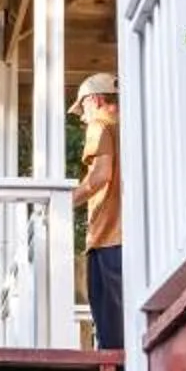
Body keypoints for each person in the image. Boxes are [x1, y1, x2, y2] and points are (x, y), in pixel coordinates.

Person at [71, 72, 124, 356]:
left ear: (95, 100)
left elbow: (99, 177)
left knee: (110, 327)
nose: (82, 117)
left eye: (82, 108)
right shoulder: (132, 128)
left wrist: (64, 202)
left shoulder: (100, 126)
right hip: (133, 236)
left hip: (108, 237)